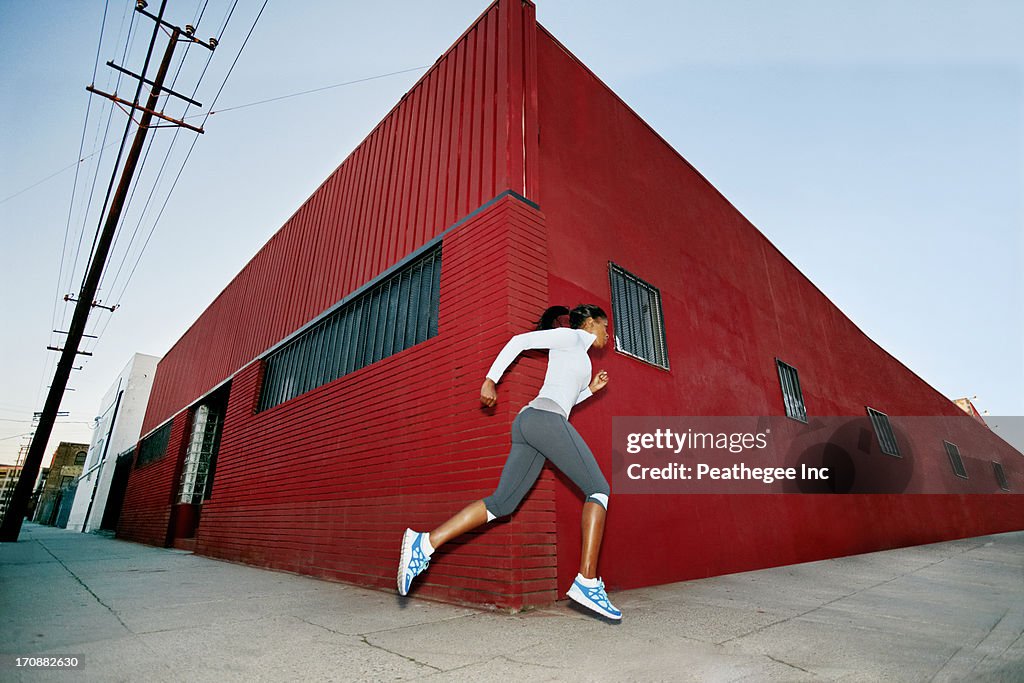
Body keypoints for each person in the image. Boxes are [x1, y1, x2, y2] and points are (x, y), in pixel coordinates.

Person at [397, 304, 621, 620]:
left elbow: (564, 400)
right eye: (605, 327)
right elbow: (519, 342)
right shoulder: (569, 337)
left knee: (501, 504)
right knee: (598, 489)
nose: (607, 336)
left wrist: (590, 392)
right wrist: (490, 380)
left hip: (532, 422)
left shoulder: (579, 357)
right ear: (592, 323)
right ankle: (586, 580)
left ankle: (424, 543)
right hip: (543, 420)